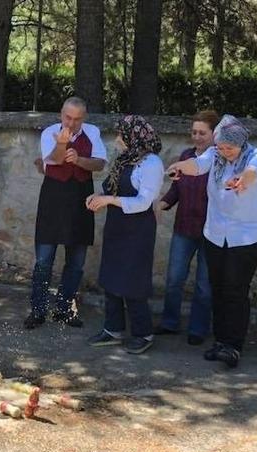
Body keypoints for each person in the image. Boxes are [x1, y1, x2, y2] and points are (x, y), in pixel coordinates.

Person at [166, 114, 257, 368]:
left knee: (235, 289)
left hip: (246, 237)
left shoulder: (256, 154)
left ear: (241, 143)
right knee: (218, 289)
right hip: (215, 234)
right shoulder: (214, 155)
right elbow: (197, 165)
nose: (225, 152)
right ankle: (221, 341)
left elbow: (253, 172)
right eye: (221, 147)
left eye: (229, 148)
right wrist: (178, 167)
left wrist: (242, 180)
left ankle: (234, 346)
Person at [85, 115, 164, 354]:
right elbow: (110, 186)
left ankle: (144, 333)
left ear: (134, 136)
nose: (118, 139)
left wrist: (108, 200)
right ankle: (113, 328)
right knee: (111, 277)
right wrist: (97, 196)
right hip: (117, 226)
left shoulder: (151, 164)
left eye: (121, 134)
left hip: (137, 230)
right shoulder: (124, 160)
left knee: (133, 281)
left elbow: (143, 202)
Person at [26, 97, 107, 329]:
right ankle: (38, 310)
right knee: (43, 259)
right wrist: (62, 145)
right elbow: (52, 161)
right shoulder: (49, 132)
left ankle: (64, 309)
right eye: (67, 117)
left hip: (81, 195)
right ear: (61, 114)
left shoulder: (92, 132)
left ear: (84, 117)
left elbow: (100, 163)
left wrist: (80, 160)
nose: (71, 123)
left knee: (76, 261)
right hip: (53, 196)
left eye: (77, 119)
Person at [154, 110, 219, 346]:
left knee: (204, 285)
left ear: (214, 134)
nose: (197, 136)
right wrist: (160, 205)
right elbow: (176, 190)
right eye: (194, 132)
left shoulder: (218, 161)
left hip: (209, 232)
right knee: (174, 278)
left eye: (203, 132)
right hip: (184, 228)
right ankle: (170, 323)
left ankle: (198, 329)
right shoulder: (185, 155)